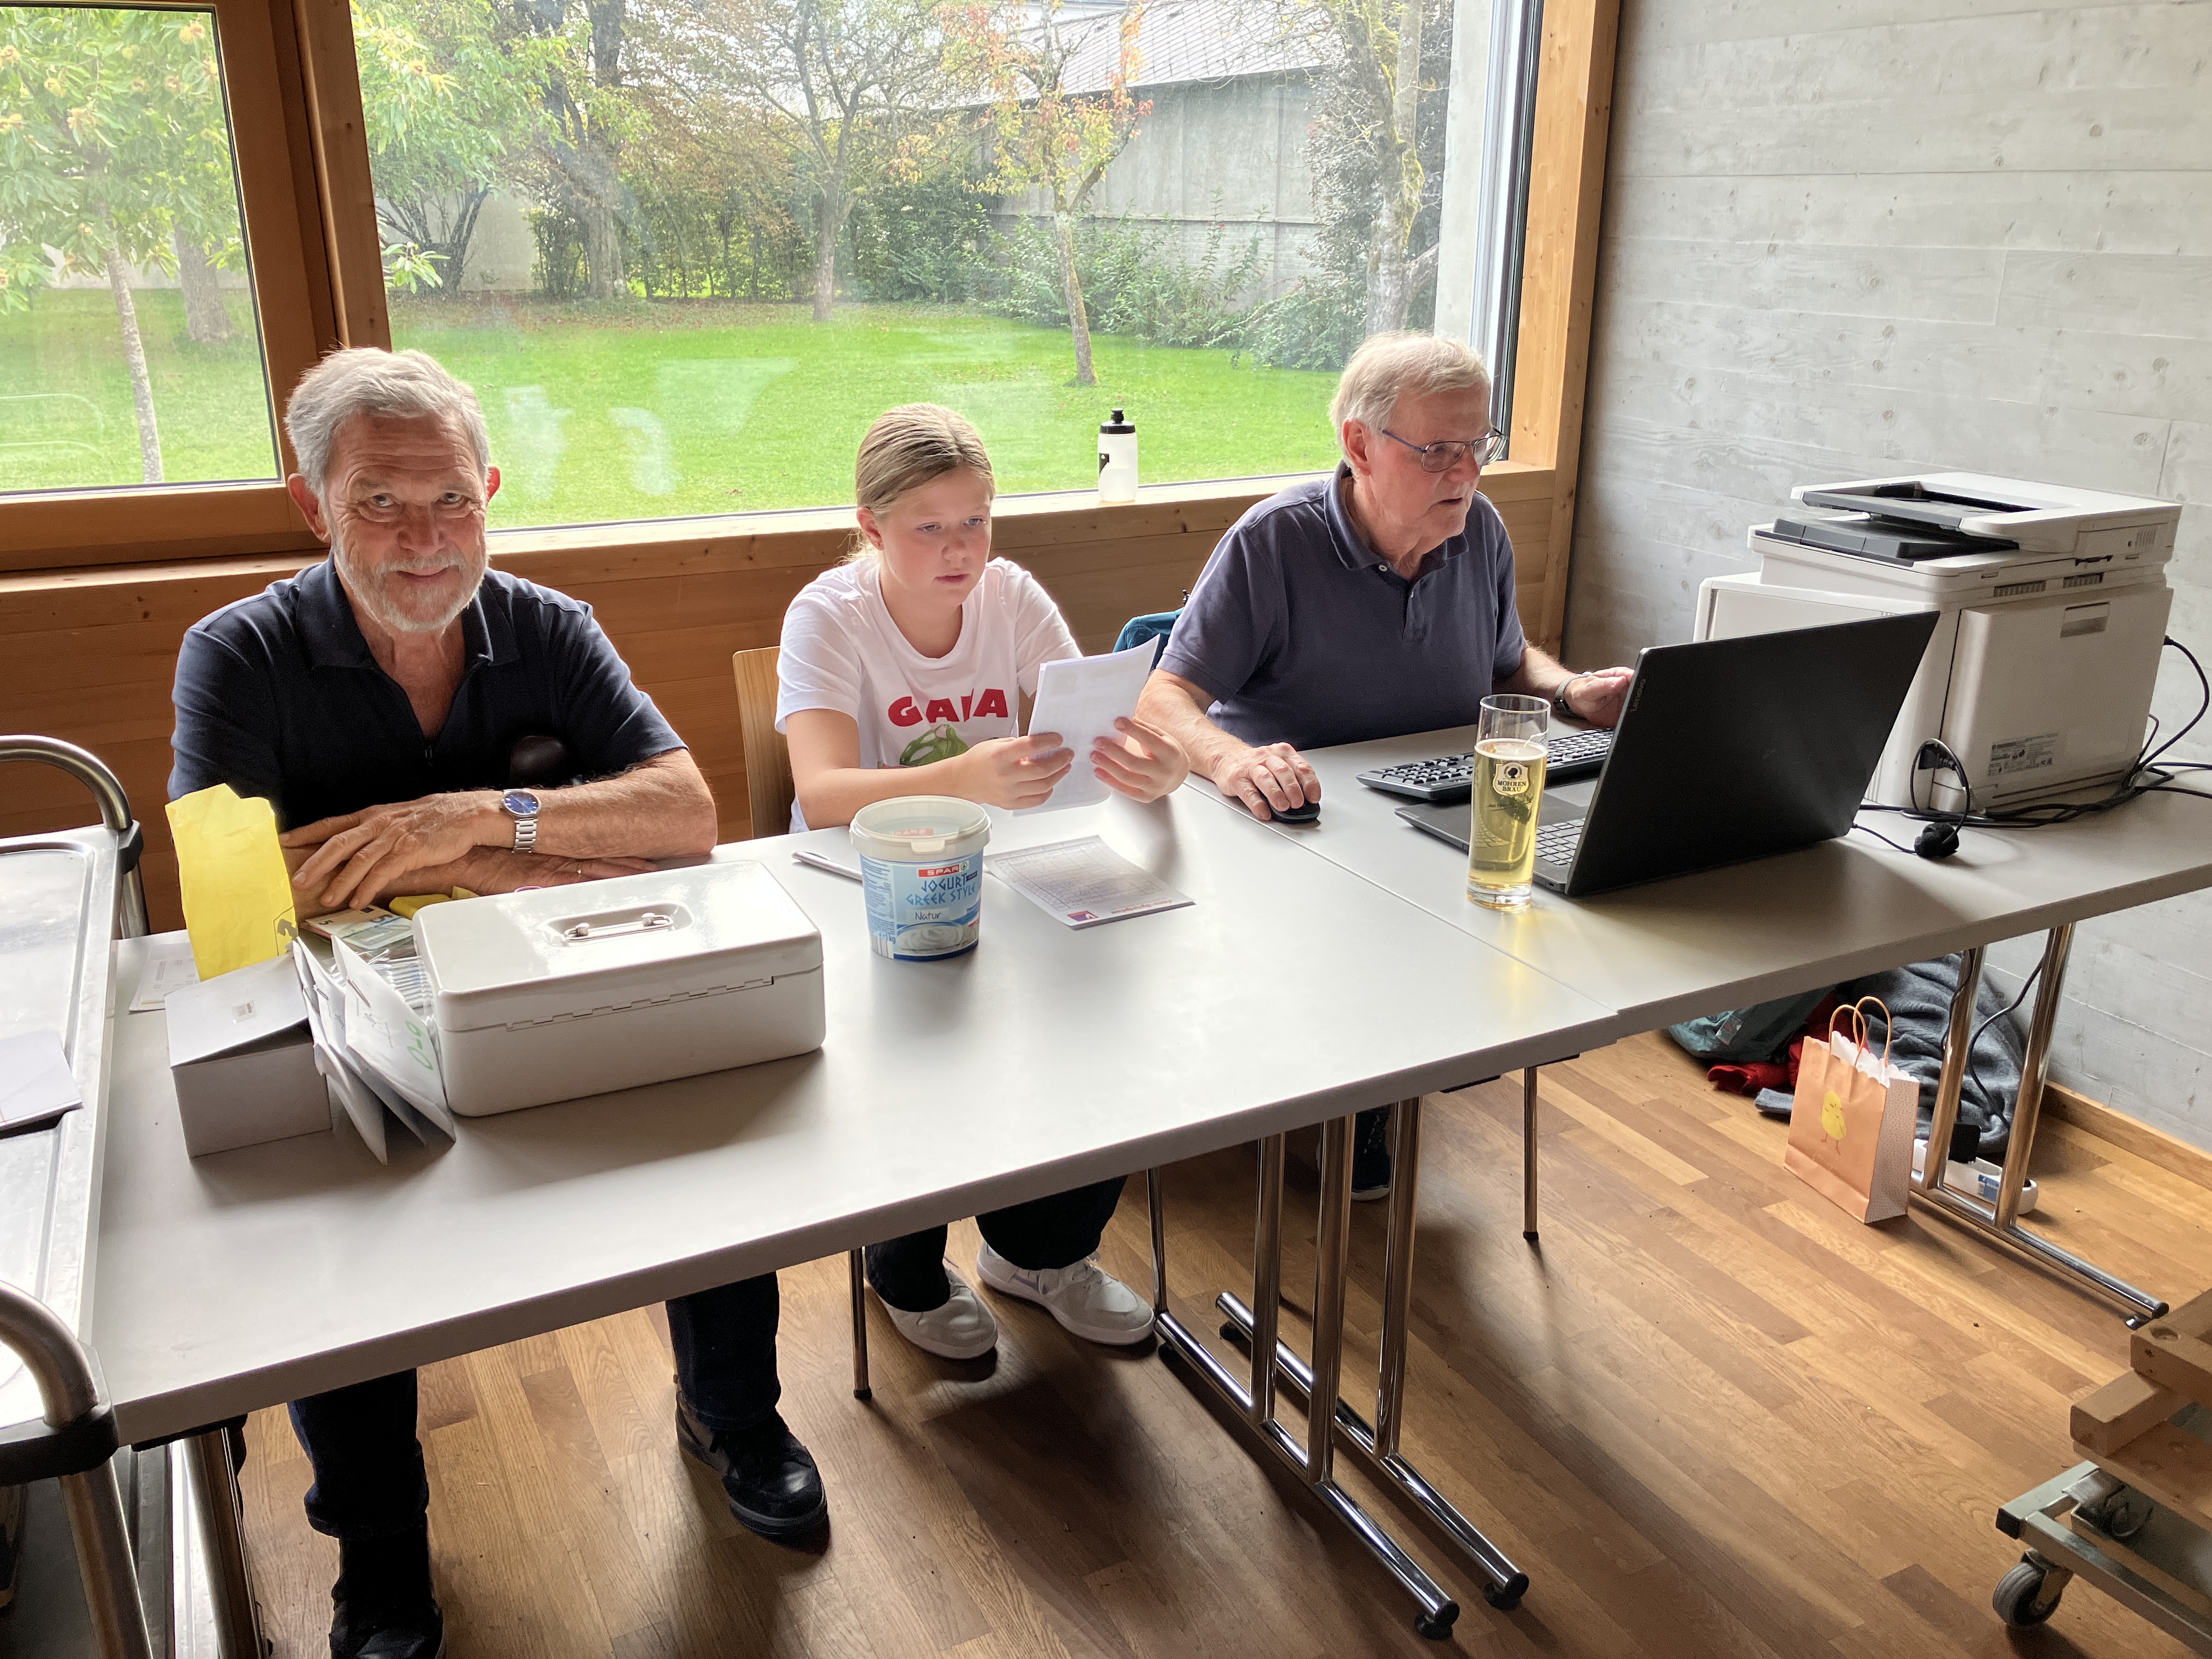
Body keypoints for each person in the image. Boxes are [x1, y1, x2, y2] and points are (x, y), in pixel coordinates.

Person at [168, 348, 824, 1659]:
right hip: (364, 1023)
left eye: (452, 500)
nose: (426, 539)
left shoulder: (550, 626)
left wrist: (461, 825)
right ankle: (379, 1552)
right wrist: (538, 851)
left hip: (558, 995)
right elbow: (233, 894)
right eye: (380, 502)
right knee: (338, 1224)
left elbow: (684, 817)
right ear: (312, 503)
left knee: (712, 1113)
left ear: (492, 493)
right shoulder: (238, 654)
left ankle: (732, 1412)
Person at [1135, 331, 1635, 1198]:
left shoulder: (1480, 530)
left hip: (1435, 812)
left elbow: (1509, 663)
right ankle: (1360, 1076)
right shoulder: (1275, 541)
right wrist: (1232, 760)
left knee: (1562, 917)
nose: (1465, 472)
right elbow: (1161, 697)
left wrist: (1571, 692)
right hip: (1303, 834)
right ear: (1360, 446)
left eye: (1477, 445)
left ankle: (1400, 1063)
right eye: (1437, 450)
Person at [776, 402, 1186, 1360]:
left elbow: (1084, 734)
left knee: (1101, 1002)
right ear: (872, 527)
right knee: (918, 1045)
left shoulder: (1012, 596)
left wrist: (1155, 766)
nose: (961, 548)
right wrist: (963, 777)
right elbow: (822, 794)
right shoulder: (828, 615)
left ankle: (1041, 1251)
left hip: (1001, 870)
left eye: (975, 520)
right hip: (863, 884)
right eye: (929, 527)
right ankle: (903, 1261)